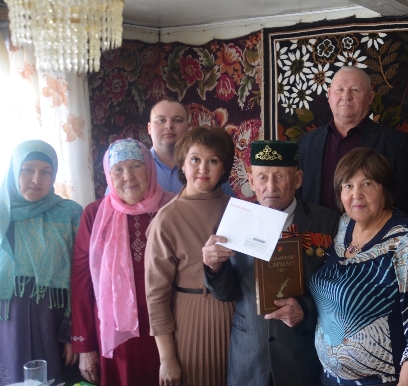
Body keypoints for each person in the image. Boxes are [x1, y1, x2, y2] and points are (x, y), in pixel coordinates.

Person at [202, 140, 339, 386]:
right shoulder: (236, 221)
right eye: (262, 177)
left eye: (280, 177)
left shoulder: (326, 222)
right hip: (249, 356)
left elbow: (339, 289)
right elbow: (227, 293)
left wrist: (305, 310)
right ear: (251, 181)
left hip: (302, 355)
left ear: (297, 180)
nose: (270, 187)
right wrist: (214, 267)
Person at [310, 147, 408, 386]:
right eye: (348, 185)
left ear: (385, 189)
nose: (356, 194)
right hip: (330, 379)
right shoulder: (343, 225)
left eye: (367, 184)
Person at [70, 139, 175, 386]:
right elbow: (81, 282)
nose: (128, 177)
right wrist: (85, 347)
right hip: (115, 335)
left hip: (169, 328)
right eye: (118, 169)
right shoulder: (95, 215)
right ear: (109, 174)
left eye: (136, 166)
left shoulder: (172, 207)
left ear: (149, 168)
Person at [145, 126, 236, 386]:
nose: (202, 169)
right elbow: (156, 296)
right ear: (183, 164)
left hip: (239, 323)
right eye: (195, 159)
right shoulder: (167, 218)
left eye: (213, 161)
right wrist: (167, 358)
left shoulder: (239, 210)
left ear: (223, 168)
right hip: (191, 320)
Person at [0, 140, 83, 384]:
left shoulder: (70, 214)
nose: (37, 179)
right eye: (28, 170)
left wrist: (72, 333)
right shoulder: (2, 215)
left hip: (53, 324)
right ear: (14, 171)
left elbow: (82, 277)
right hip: (8, 327)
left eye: (46, 172)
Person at [297, 66, 408, 219]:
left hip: (374, 232)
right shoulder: (306, 143)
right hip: (317, 232)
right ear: (329, 95)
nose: (346, 96)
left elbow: (406, 206)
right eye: (339, 90)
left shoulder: (395, 143)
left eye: (355, 90)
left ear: (370, 97)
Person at [145, 98, 235, 197]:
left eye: (177, 120)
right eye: (161, 120)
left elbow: (231, 205)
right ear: (149, 128)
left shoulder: (213, 168)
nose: (169, 126)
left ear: (188, 127)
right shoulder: (137, 168)